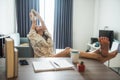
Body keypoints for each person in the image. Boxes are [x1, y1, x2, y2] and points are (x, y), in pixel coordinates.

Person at [27, 9, 118, 63]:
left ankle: (98, 52)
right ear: (34, 28)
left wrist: (39, 15)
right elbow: (34, 21)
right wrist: (33, 13)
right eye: (37, 26)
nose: (39, 25)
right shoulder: (33, 36)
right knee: (68, 51)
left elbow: (43, 22)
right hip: (43, 60)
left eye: (40, 25)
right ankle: (100, 56)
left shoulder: (47, 35)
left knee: (69, 51)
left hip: (52, 57)